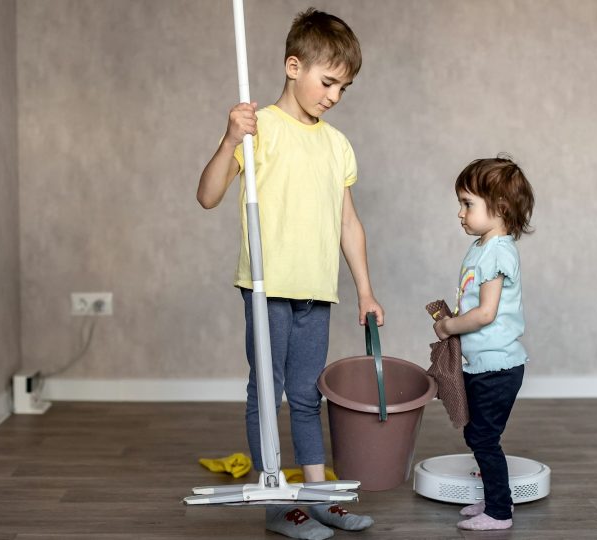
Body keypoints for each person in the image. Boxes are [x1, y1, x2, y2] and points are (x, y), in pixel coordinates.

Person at [196, 7, 382, 540]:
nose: (334, 96)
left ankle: (318, 496)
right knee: (267, 391)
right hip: (266, 286)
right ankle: (279, 503)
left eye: (344, 88)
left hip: (316, 291)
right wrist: (230, 138)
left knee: (306, 395)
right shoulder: (259, 129)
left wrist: (365, 291)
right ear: (293, 66)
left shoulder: (336, 144)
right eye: (328, 83)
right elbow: (207, 197)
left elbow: (349, 223)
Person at [433, 155, 534, 531]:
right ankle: (494, 499)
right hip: (483, 363)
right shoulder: (481, 245)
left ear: (500, 207)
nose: (460, 213)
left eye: (467, 203)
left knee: (484, 437)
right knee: (478, 434)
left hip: (498, 366)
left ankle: (499, 512)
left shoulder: (498, 251)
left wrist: (449, 327)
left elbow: (485, 313)